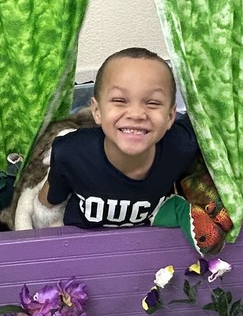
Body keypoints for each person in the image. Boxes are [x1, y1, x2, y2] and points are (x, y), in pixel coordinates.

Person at [38, 47, 199, 229]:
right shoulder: (70, 152)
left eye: (153, 103)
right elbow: (47, 204)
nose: (136, 114)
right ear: (97, 111)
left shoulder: (182, 146)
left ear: (170, 116)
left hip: (149, 239)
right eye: (120, 101)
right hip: (81, 238)